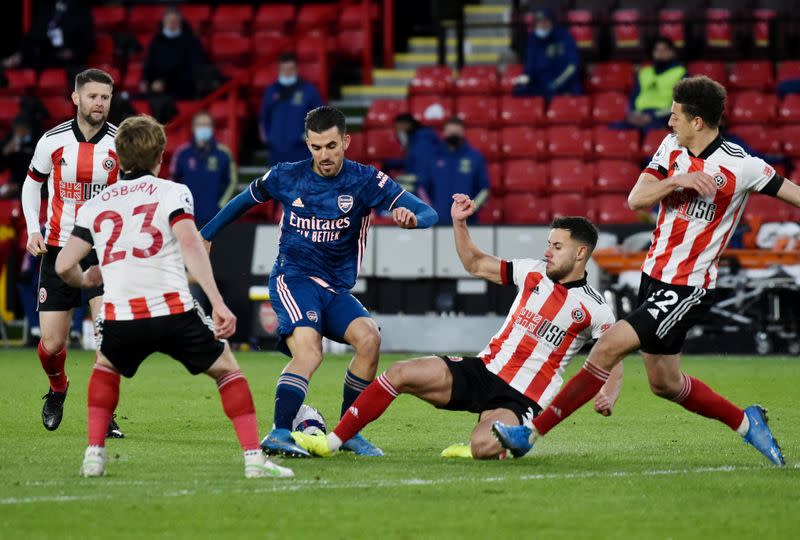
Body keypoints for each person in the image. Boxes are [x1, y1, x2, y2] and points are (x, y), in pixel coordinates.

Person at [492, 76, 800, 466]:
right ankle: (746, 422)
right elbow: (636, 197)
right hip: (653, 278)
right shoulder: (672, 148)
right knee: (665, 383)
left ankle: (529, 434)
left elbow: (793, 192)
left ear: (698, 122)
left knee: (606, 347)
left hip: (687, 286)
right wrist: (677, 180)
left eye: (675, 116)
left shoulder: (744, 166)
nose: (669, 123)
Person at [54, 115, 292, 479]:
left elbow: (62, 265)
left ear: (118, 157)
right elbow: (189, 243)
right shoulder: (173, 192)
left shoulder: (95, 205)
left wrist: (86, 278)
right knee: (227, 369)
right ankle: (253, 460)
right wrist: (216, 301)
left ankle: (93, 456)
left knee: (105, 367)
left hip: (120, 317)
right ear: (160, 156)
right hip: (172, 310)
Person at [292, 203, 622, 459]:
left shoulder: (594, 307)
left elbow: (614, 355)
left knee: (482, 447)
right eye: (548, 243)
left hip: (521, 396)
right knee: (401, 372)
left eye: (557, 246)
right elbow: (475, 263)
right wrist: (459, 222)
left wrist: (610, 390)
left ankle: (497, 442)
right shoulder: (531, 272)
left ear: (581, 253)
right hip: (483, 370)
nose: (547, 251)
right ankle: (334, 442)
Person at [201, 106, 438, 457]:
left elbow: (428, 213)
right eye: (315, 147)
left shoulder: (366, 180)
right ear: (307, 144)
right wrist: (206, 235)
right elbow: (243, 200)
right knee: (311, 352)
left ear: (346, 141)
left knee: (370, 339)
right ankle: (279, 432)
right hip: (292, 277)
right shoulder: (287, 175)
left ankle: (347, 432)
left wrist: (411, 219)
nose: (323, 156)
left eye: (330, 146)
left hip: (334, 288)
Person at [21, 68, 123, 438]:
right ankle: (58, 388)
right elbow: (32, 185)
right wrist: (34, 228)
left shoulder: (120, 142)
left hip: (104, 252)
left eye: (106, 97)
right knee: (52, 344)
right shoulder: (53, 141)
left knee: (107, 337)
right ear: (76, 98)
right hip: (60, 249)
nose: (100, 103)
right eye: (93, 96)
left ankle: (104, 413)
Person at [416, 117, 489, 226]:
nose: (453, 136)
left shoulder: (475, 157)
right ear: (444, 133)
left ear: (463, 133)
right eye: (450, 133)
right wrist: (431, 211)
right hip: (438, 222)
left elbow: (484, 189)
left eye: (457, 133)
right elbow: (422, 187)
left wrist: (471, 209)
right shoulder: (432, 156)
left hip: (467, 221)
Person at [170, 111, 237, 229]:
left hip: (214, 219)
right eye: (199, 125)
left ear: (212, 128)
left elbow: (232, 181)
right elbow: (173, 181)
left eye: (206, 125)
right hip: (187, 218)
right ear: (192, 128)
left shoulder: (223, 153)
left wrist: (220, 206)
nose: (203, 128)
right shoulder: (182, 153)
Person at [258, 53, 324, 166]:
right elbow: (264, 116)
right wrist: (268, 138)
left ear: (297, 69)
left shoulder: (309, 90)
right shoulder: (271, 91)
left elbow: (321, 116)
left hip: (301, 150)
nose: (287, 73)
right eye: (284, 70)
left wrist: (310, 135)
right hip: (276, 152)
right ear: (278, 70)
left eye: (290, 69)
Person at [3, 0, 94, 72]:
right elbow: (33, 34)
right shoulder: (46, 7)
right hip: (42, 53)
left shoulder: (81, 10)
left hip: (65, 59)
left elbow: (87, 42)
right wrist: (21, 53)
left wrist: (72, 53)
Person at [513, 7, 581, 100]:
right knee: (519, 91)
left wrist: (556, 84)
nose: (542, 25)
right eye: (539, 23)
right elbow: (530, 66)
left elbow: (572, 66)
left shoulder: (564, 37)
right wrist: (525, 78)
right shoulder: (532, 38)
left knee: (560, 94)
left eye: (545, 22)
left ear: (552, 23)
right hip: (540, 85)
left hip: (562, 84)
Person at [140, 6, 206, 100]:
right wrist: (145, 80)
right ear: (164, 22)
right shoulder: (156, 41)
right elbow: (149, 64)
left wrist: (166, 84)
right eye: (169, 21)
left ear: (180, 22)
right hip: (156, 88)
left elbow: (194, 70)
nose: (171, 24)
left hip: (182, 89)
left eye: (174, 21)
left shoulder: (191, 42)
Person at [624, 37, 686, 131]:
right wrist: (633, 115)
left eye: (664, 49)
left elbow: (681, 104)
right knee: (613, 130)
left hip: (663, 117)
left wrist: (653, 116)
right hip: (639, 115)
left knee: (650, 132)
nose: (660, 53)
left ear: (672, 52)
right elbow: (634, 96)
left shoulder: (681, 72)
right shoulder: (645, 72)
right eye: (657, 50)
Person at [385, 113, 439, 181]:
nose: (397, 133)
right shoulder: (414, 139)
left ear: (405, 125)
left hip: (422, 182)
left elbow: (422, 166)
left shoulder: (423, 139)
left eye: (398, 129)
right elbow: (411, 160)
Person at [0, 116, 37, 199]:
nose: (20, 133)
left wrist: (19, 186)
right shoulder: (10, 140)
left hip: (36, 184)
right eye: (17, 130)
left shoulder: (39, 141)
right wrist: (5, 153)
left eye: (22, 129)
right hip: (15, 184)